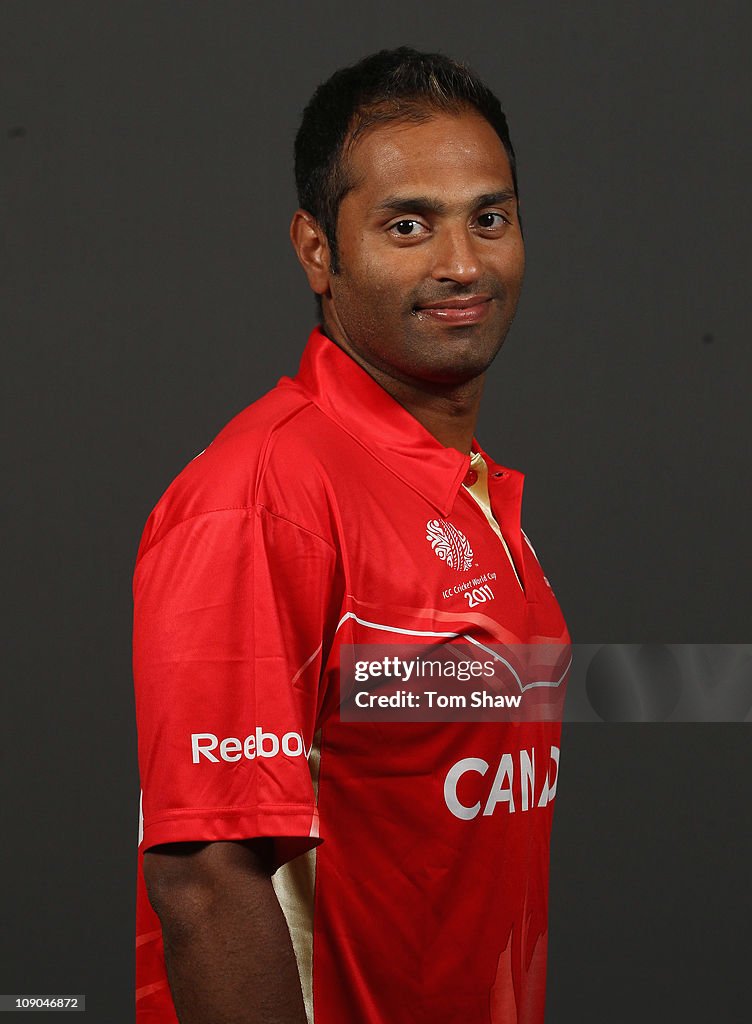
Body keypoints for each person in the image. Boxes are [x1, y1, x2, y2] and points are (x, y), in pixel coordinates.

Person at [133, 46, 569, 1024]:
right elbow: (206, 880)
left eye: (487, 219)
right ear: (316, 249)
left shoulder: (476, 495)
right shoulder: (259, 495)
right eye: (406, 224)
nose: (461, 263)